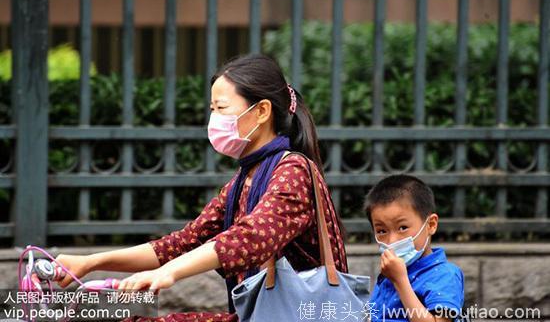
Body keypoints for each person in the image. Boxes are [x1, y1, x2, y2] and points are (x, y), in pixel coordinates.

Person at [55, 54, 348, 322]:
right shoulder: (243, 180)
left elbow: (251, 237)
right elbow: (182, 242)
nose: (214, 119)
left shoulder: (293, 171)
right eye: (212, 109)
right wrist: (90, 262)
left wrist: (167, 273)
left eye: (222, 108)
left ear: (261, 112)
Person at [364, 174, 464, 322]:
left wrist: (400, 281)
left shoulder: (445, 275)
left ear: (430, 225)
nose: (392, 241)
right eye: (382, 231)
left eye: (402, 227)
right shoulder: (389, 273)